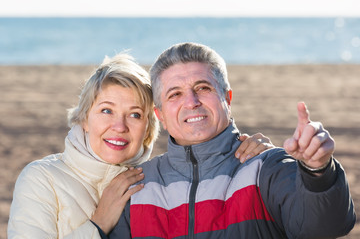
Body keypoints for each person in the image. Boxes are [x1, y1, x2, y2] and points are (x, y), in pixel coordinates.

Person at [104, 43, 356, 238]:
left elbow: (323, 227)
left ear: (227, 98)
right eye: (175, 94)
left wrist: (318, 170)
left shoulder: (266, 166)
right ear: (160, 115)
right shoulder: (138, 187)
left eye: (203, 88)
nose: (191, 102)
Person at [7, 53, 273, 238]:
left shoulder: (154, 183)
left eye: (135, 114)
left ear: (149, 127)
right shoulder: (42, 179)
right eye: (106, 111)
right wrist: (98, 224)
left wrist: (244, 149)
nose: (120, 126)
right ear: (84, 119)